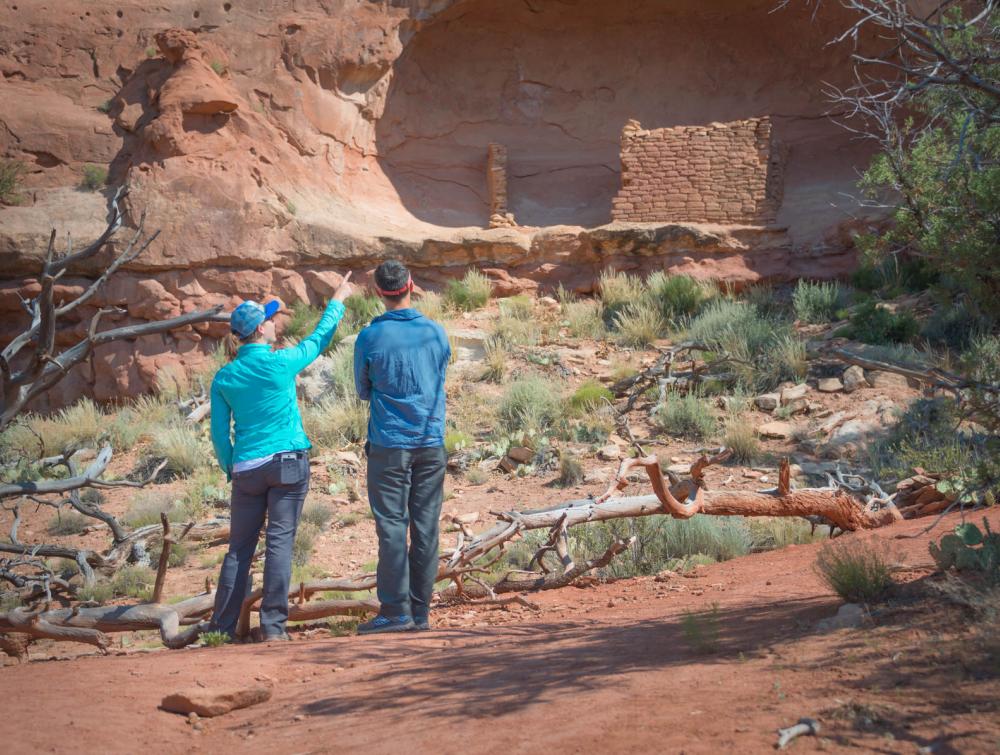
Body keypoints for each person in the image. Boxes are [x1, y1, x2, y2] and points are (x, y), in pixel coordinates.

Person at [208, 272, 353, 641]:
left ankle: (221, 630)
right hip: (287, 462)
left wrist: (232, 467)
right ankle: (273, 628)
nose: (275, 323)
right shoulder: (281, 362)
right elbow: (319, 339)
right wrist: (337, 301)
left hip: (248, 468)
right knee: (279, 543)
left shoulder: (225, 377)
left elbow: (219, 435)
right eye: (270, 319)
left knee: (239, 549)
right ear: (260, 330)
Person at [354, 260, 451, 634]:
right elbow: (440, 376)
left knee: (393, 526)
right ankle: (420, 612)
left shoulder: (369, 337)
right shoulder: (436, 332)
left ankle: (395, 612)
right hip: (431, 442)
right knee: (426, 526)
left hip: (389, 443)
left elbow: (363, 390)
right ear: (411, 285)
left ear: (379, 292)